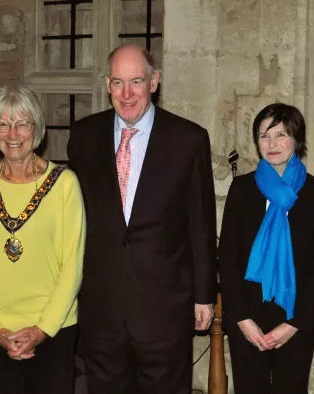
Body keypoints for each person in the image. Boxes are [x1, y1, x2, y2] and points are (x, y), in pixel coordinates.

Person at [67, 44, 216, 394]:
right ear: (107, 85)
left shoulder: (188, 140)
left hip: (164, 310)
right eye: (117, 83)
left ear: (154, 81)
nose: (127, 93)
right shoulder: (84, 136)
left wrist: (204, 295)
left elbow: (201, 223)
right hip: (102, 311)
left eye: (136, 81)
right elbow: (73, 217)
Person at [0, 85, 86, 394]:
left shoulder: (65, 185)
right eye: (3, 123)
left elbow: (72, 265)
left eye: (22, 123)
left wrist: (42, 330)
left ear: (36, 128)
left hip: (54, 330)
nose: (13, 133)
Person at [219, 103, 314, 394]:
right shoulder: (241, 189)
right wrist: (241, 319)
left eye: (281, 135)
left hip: (296, 319)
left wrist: (294, 324)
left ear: (297, 139)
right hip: (247, 319)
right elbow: (228, 259)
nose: (272, 144)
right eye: (264, 136)